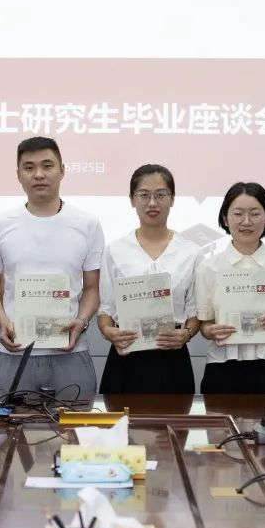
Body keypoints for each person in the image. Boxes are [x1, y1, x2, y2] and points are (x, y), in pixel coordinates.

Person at [0, 136, 104, 401]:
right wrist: (2, 322)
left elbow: (93, 288)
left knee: (75, 427)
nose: (39, 175)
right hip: (14, 352)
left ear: (62, 170)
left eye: (47, 166)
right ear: (18, 175)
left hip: (71, 352)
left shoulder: (87, 223)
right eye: (29, 167)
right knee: (9, 426)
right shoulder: (0, 224)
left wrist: (81, 321)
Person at [97, 164, 201, 394]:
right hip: (126, 356)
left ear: (172, 199)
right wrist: (108, 331)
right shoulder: (115, 250)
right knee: (120, 418)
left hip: (173, 356)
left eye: (161, 195)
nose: (152, 203)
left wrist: (186, 334)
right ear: (132, 200)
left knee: (175, 417)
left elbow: (194, 313)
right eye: (144, 195)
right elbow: (105, 309)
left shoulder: (191, 252)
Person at [195, 182, 265, 394]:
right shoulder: (209, 267)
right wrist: (210, 331)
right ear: (225, 218)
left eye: (255, 214)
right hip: (221, 367)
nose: (246, 221)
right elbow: (205, 324)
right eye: (238, 213)